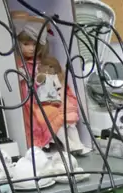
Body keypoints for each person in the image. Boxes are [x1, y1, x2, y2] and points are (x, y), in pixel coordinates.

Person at [16, 21, 89, 154]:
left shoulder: (47, 63)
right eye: (26, 44)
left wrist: (60, 93)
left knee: (67, 110)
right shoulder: (20, 65)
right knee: (48, 114)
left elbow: (59, 80)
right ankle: (68, 144)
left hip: (52, 95)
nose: (31, 48)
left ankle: (77, 143)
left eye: (35, 44)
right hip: (34, 99)